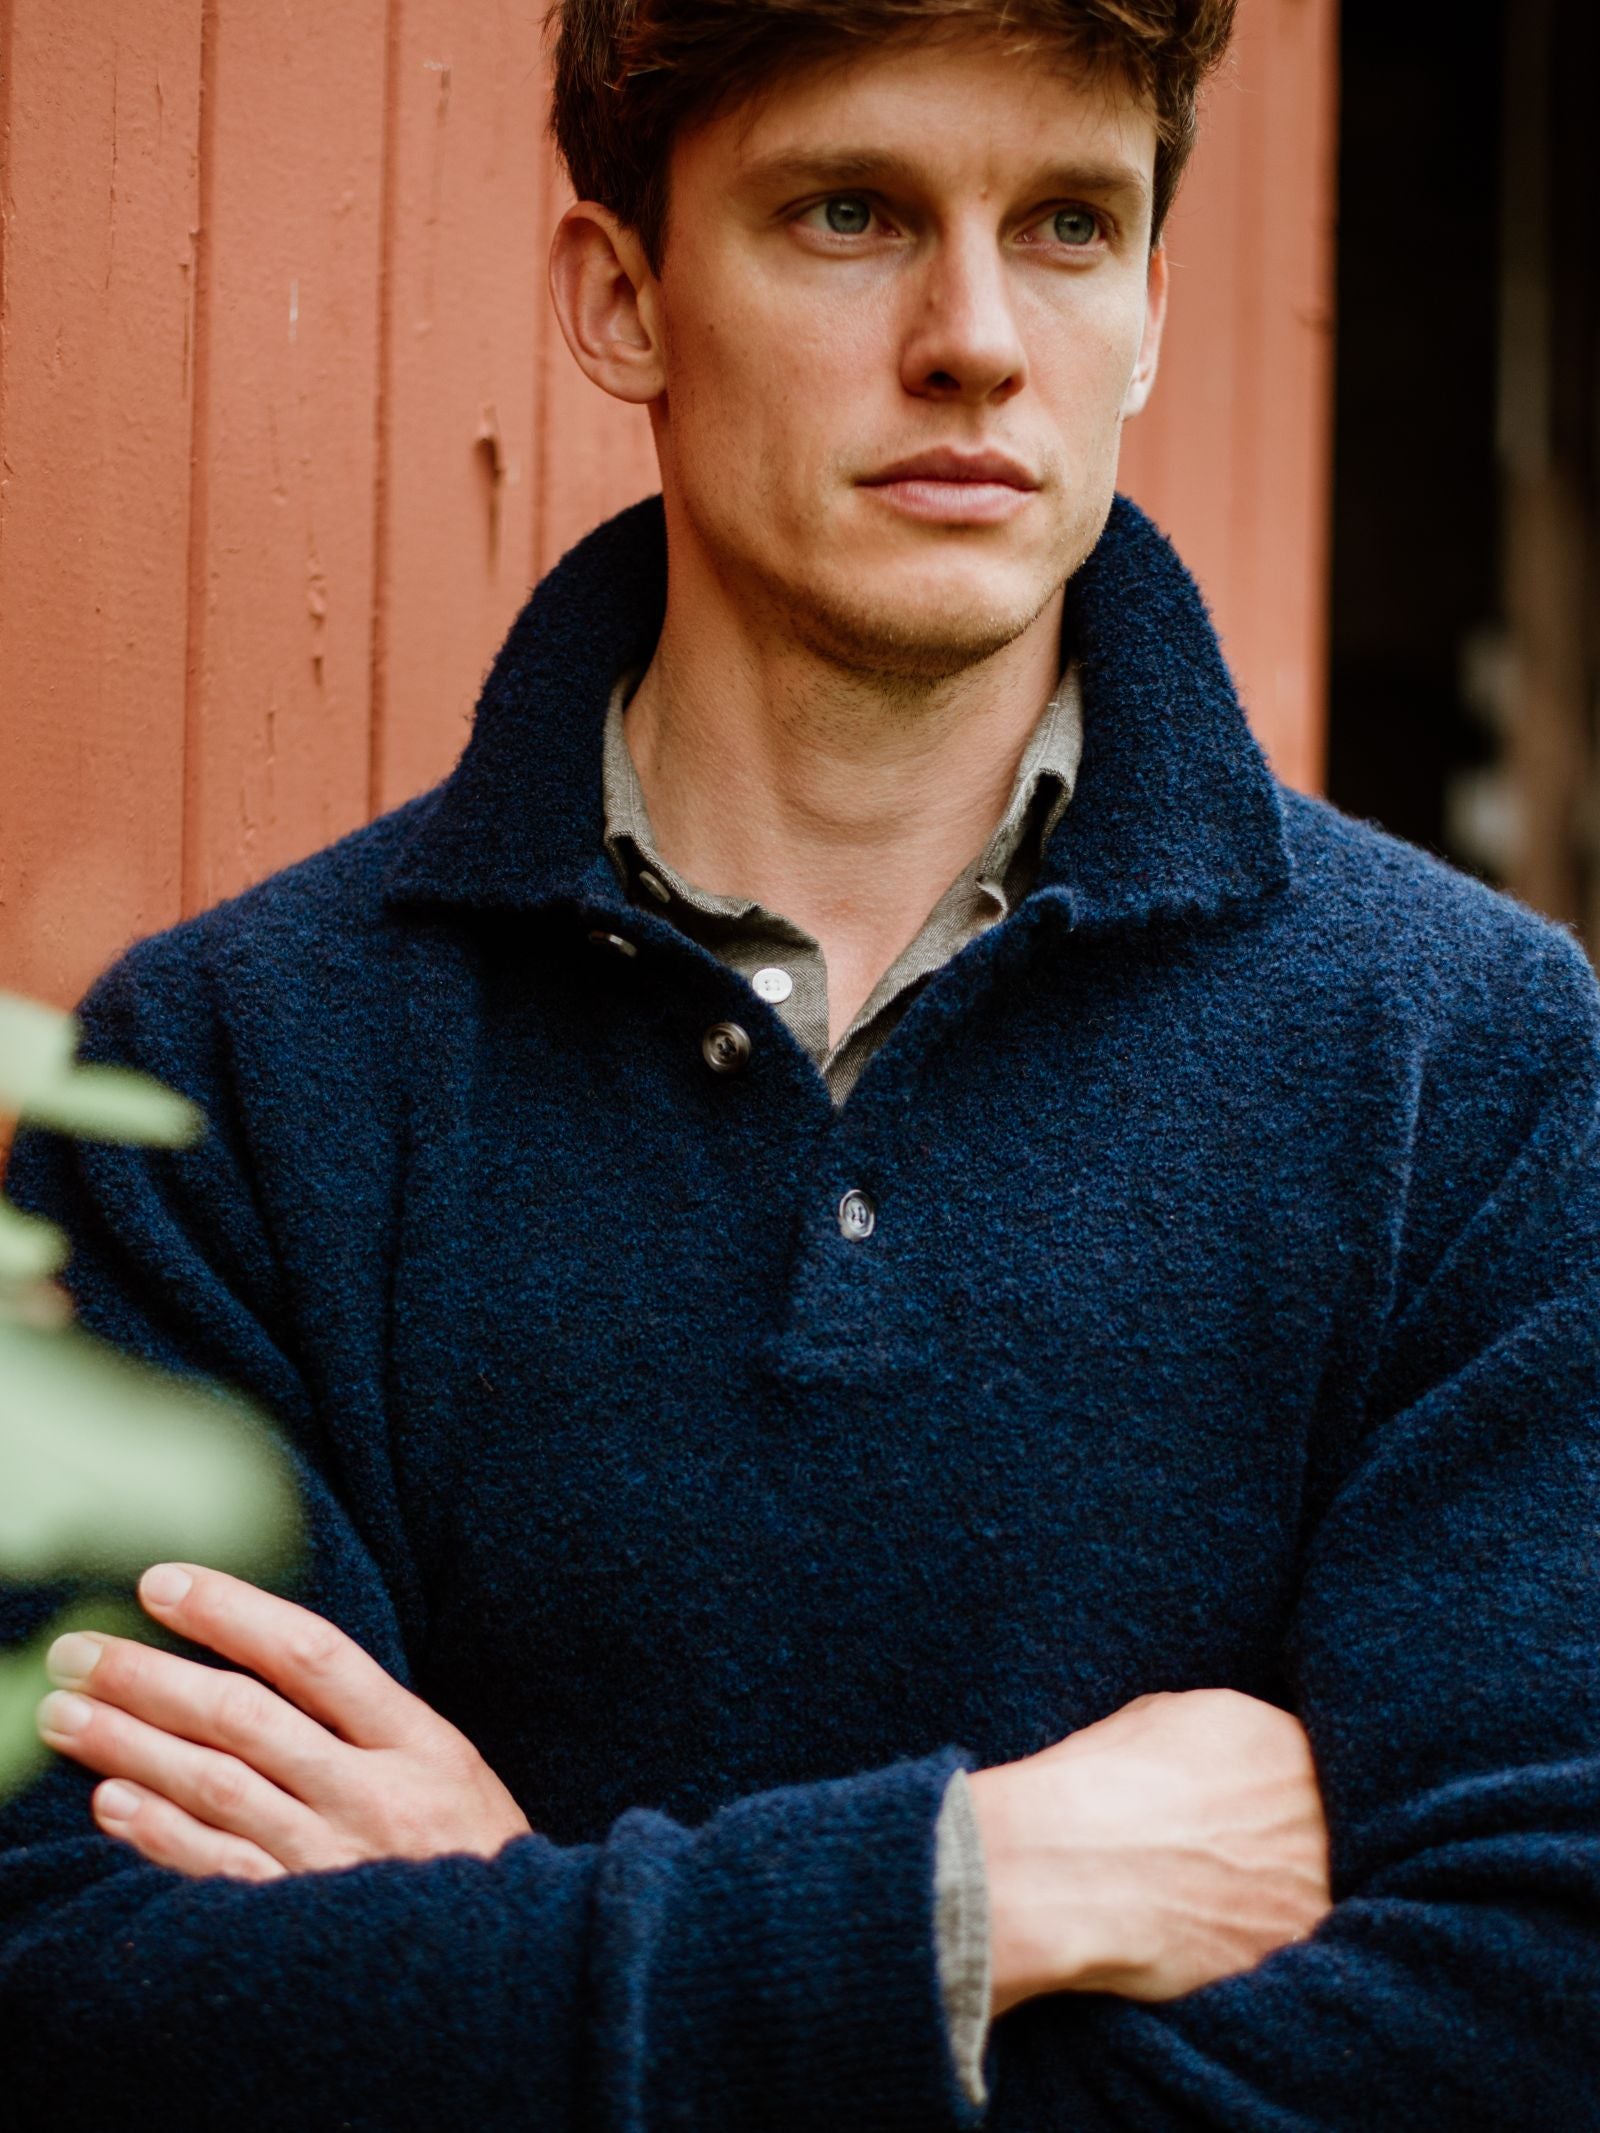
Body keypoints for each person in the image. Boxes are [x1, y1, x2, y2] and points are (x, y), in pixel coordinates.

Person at [4, 1, 1599, 2125]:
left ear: (1141, 308)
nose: (970, 336)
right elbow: (80, 2002)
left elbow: (1528, 2008)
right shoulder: (232, 1071)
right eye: (849, 213)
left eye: (1061, 223)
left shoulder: (1471, 1063)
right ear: (618, 296)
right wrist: (968, 1895)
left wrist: (513, 1933)